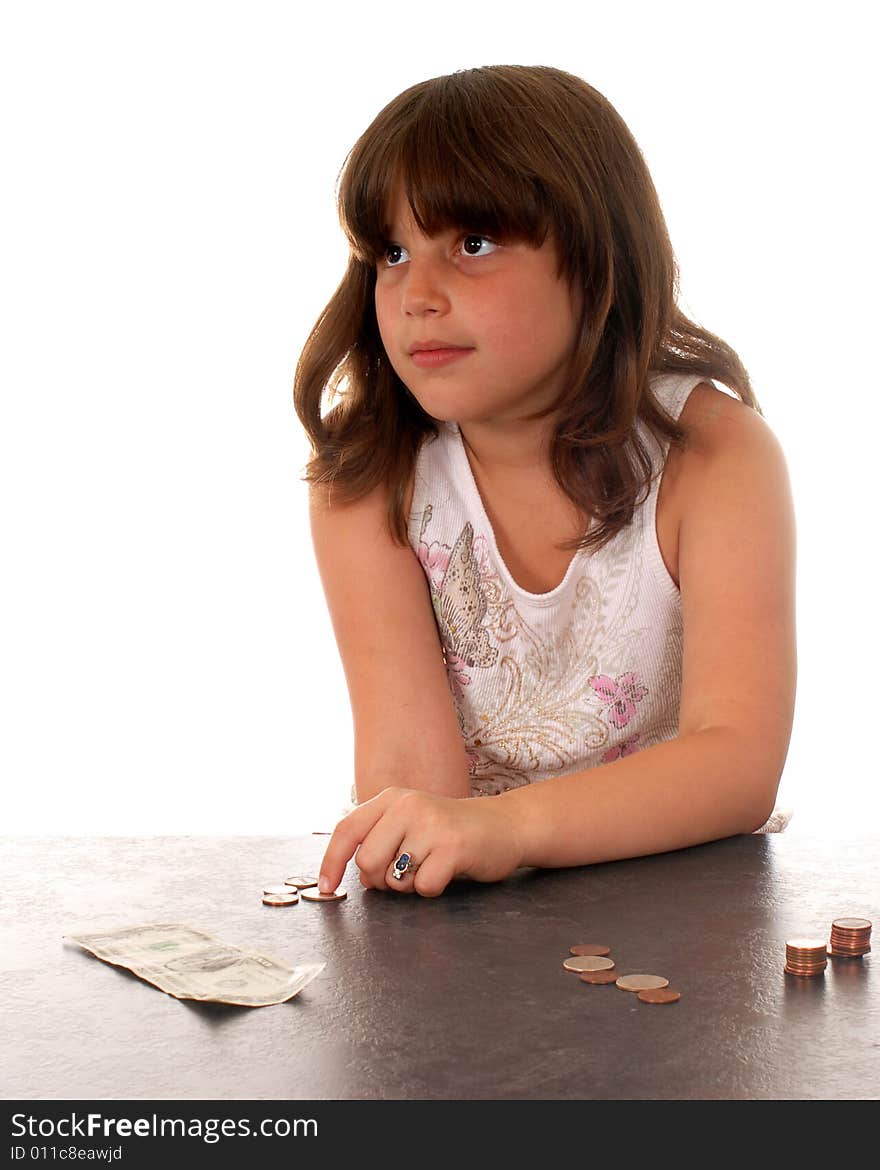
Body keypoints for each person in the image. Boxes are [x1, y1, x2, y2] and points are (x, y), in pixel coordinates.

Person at [293, 64, 796, 898]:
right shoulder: (370, 478)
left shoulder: (716, 458)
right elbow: (413, 786)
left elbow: (739, 762)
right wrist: (435, 840)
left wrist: (509, 826)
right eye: (390, 252)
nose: (416, 294)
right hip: (471, 911)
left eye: (473, 244)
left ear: (598, 259)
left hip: (677, 900)